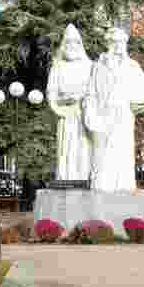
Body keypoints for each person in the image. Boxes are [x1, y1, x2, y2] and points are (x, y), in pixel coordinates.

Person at [83, 27, 144, 192]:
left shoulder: (132, 66)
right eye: (114, 42)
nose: (118, 46)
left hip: (123, 115)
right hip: (102, 115)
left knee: (122, 152)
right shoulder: (97, 66)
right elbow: (90, 93)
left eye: (122, 42)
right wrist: (90, 114)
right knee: (101, 156)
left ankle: (123, 187)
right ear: (108, 43)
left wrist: (135, 102)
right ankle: (101, 188)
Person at [46, 24, 94, 182]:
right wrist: (64, 102)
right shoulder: (57, 67)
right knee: (66, 148)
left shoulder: (91, 67)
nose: (71, 46)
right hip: (66, 115)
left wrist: (84, 99)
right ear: (63, 45)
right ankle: (65, 178)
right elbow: (51, 94)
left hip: (85, 114)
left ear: (80, 45)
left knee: (84, 147)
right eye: (68, 42)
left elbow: (97, 91)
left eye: (75, 42)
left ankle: (85, 176)